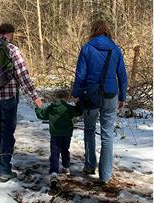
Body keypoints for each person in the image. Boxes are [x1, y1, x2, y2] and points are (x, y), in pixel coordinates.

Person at [0, 23, 44, 183]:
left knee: (0, 130)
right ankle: (4, 170)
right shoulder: (12, 49)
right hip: (8, 97)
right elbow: (22, 74)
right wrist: (34, 96)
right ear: (12, 34)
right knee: (7, 131)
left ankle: (3, 165)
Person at [71, 20, 128, 185]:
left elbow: (80, 75)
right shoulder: (116, 50)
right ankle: (105, 175)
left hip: (90, 96)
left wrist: (75, 94)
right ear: (107, 31)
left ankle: (89, 166)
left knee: (89, 130)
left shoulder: (87, 49)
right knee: (107, 135)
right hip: (111, 95)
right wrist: (122, 98)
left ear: (93, 31)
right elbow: (122, 78)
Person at [34, 90, 83, 187]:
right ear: (67, 99)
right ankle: (66, 166)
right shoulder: (68, 107)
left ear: (55, 98)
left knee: (54, 153)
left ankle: (54, 173)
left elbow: (41, 115)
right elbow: (78, 112)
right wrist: (77, 103)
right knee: (65, 150)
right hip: (66, 135)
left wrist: (38, 108)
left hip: (55, 135)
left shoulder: (51, 108)